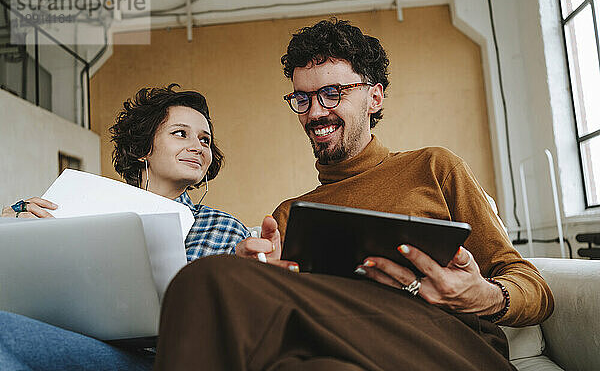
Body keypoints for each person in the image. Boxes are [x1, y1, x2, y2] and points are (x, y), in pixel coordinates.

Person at [153, 20, 554, 371]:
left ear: (374, 97)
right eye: (302, 98)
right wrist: (258, 279)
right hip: (348, 349)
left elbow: (533, 288)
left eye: (332, 93)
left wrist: (481, 295)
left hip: (451, 346)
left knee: (205, 278)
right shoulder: (291, 214)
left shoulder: (432, 167)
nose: (314, 113)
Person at [0, 84, 257, 370]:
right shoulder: (77, 207)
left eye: (205, 140)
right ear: (142, 147)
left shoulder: (224, 228)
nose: (198, 147)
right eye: (180, 133)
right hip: (79, 343)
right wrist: (10, 230)